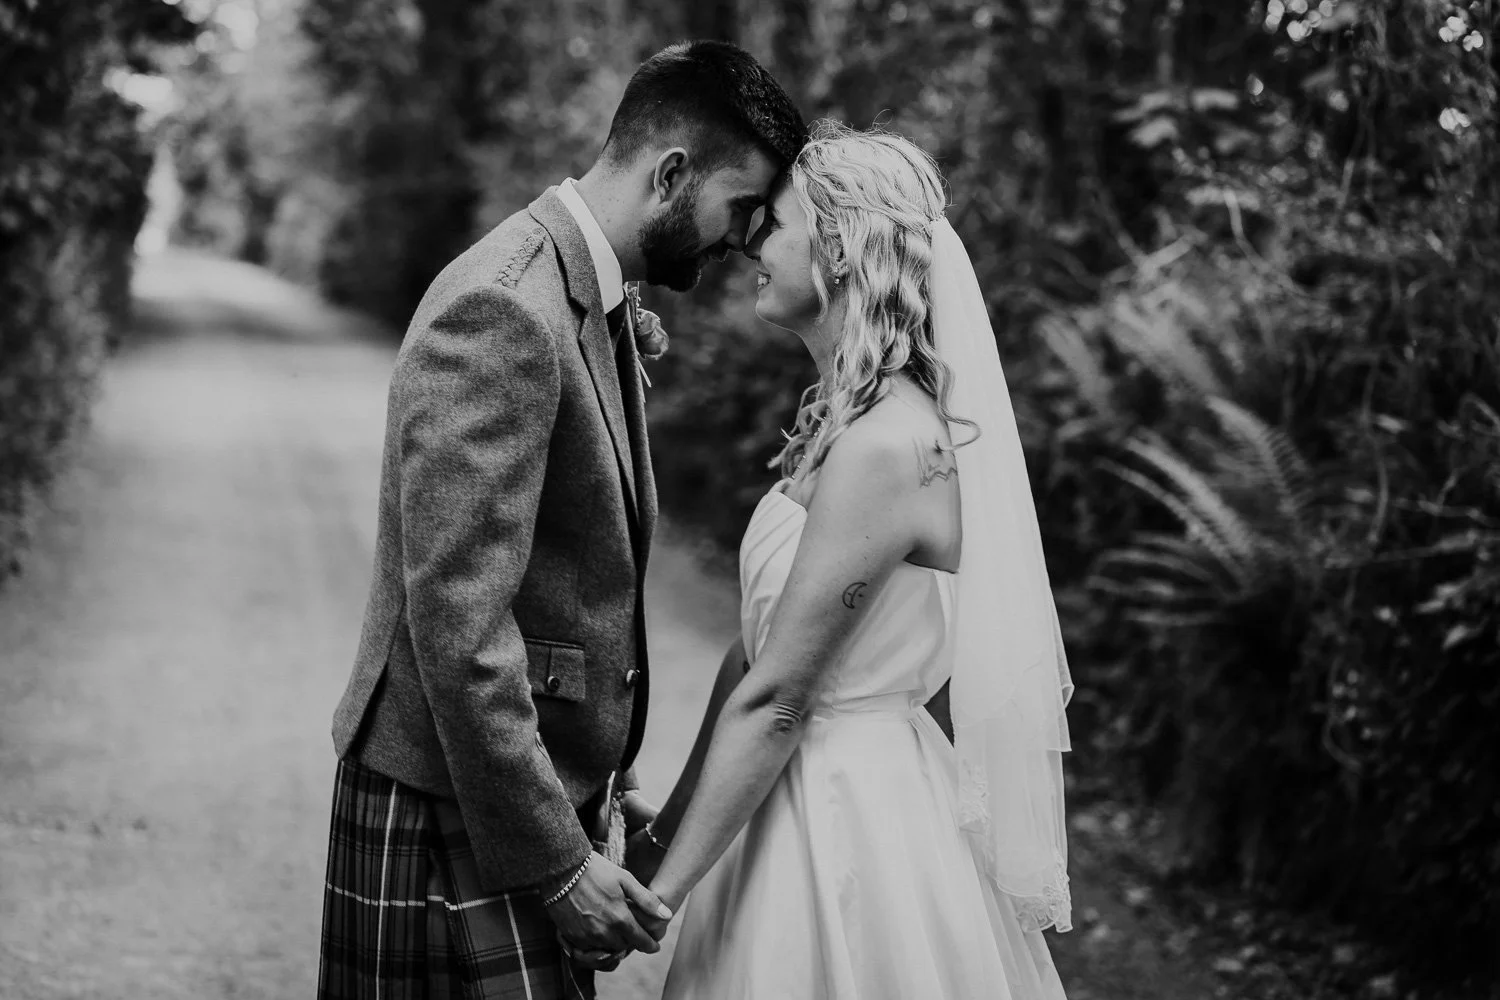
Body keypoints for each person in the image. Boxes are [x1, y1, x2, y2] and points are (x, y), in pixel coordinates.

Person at [316, 41, 805, 1000]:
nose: (744, 240)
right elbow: (459, 626)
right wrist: (562, 864)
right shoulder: (503, 311)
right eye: (740, 208)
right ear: (671, 173)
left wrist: (602, 762)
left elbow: (561, 573)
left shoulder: (585, 291)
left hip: (504, 791)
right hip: (444, 807)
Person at [629, 122, 1075, 999]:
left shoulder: (887, 446)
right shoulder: (839, 425)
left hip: (853, 817)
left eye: (774, 225)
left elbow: (781, 700)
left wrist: (657, 901)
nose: (749, 243)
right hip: (778, 793)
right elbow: (753, 656)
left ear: (840, 249)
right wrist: (662, 840)